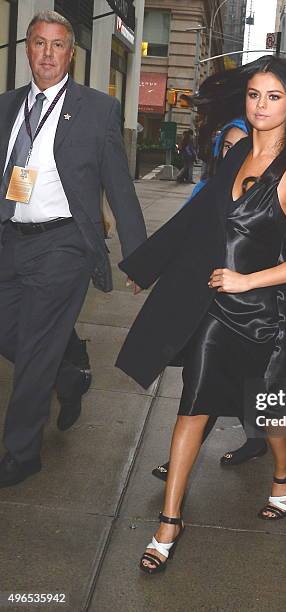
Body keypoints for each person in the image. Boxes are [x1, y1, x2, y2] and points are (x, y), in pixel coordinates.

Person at [116, 55, 286, 574]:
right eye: (254, 94)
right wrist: (147, 266)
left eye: (274, 96)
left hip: (265, 317)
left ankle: (285, 474)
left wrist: (248, 281)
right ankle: (169, 521)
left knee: (268, 415)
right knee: (193, 405)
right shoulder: (233, 159)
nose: (261, 105)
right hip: (216, 310)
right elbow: (196, 219)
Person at [0, 11, 146, 488]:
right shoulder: (6, 106)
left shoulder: (97, 110)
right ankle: (68, 372)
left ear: (71, 54)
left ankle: (21, 453)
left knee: (37, 343)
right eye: (39, 43)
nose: (47, 53)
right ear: (27, 49)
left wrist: (140, 256)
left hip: (63, 245)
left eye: (57, 45)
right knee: (23, 340)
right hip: (10, 239)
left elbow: (120, 189)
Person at [151, 116, 269, 481]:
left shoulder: (269, 191)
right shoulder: (207, 188)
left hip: (249, 309)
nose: (235, 153)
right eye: (228, 146)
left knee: (248, 384)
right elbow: (184, 237)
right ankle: (180, 463)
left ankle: (275, 460)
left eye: (242, 146)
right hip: (206, 301)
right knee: (199, 383)